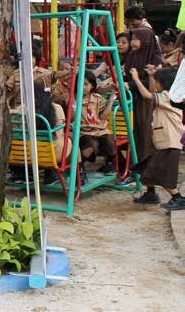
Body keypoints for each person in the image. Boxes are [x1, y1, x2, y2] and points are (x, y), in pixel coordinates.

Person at [129, 66, 185, 210]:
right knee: (147, 166)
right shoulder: (169, 95)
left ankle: (178, 197)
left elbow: (148, 95)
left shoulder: (170, 96)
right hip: (162, 141)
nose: (155, 85)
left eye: (157, 81)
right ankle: (151, 193)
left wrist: (135, 79)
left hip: (170, 142)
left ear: (165, 84)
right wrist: (151, 76)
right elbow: (153, 92)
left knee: (161, 172)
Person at [124, 27, 163, 169]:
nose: (132, 42)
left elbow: (155, 84)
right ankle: (137, 164)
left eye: (136, 39)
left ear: (145, 40)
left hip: (147, 101)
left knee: (146, 132)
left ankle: (148, 167)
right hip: (134, 99)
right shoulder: (133, 55)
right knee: (136, 132)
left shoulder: (155, 58)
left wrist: (131, 83)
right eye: (132, 38)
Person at [77, 70, 117, 173]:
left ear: (92, 86)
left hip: (99, 130)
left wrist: (111, 101)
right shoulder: (75, 99)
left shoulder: (98, 99)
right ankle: (80, 167)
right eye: (80, 83)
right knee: (90, 145)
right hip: (84, 131)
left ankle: (108, 164)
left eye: (86, 84)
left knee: (110, 142)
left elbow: (103, 117)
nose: (83, 86)